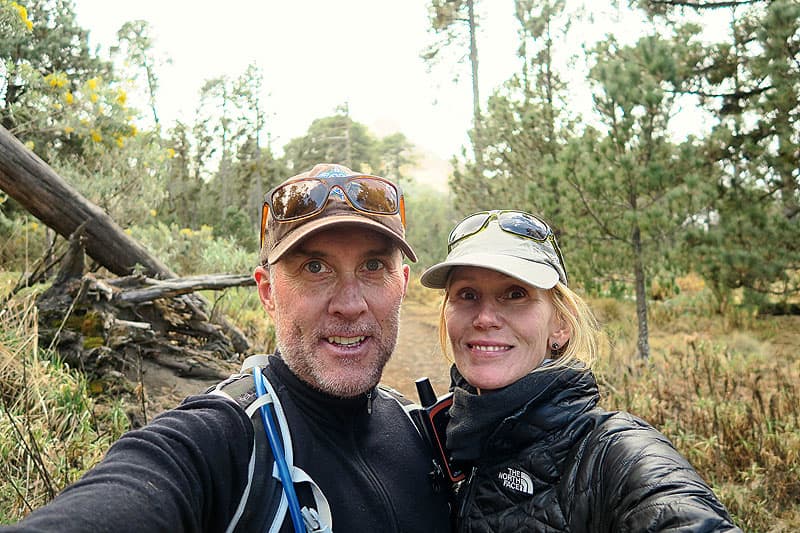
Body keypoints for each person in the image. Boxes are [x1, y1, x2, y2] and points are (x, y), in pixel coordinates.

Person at [2, 164, 451, 533]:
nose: (350, 305)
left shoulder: (424, 432)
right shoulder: (227, 440)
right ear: (268, 292)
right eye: (316, 267)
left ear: (403, 286)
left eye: (373, 266)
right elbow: (137, 490)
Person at [419, 209, 742, 532]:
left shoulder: (616, 457)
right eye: (467, 294)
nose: (485, 318)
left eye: (515, 294)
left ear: (560, 325)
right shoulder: (444, 438)